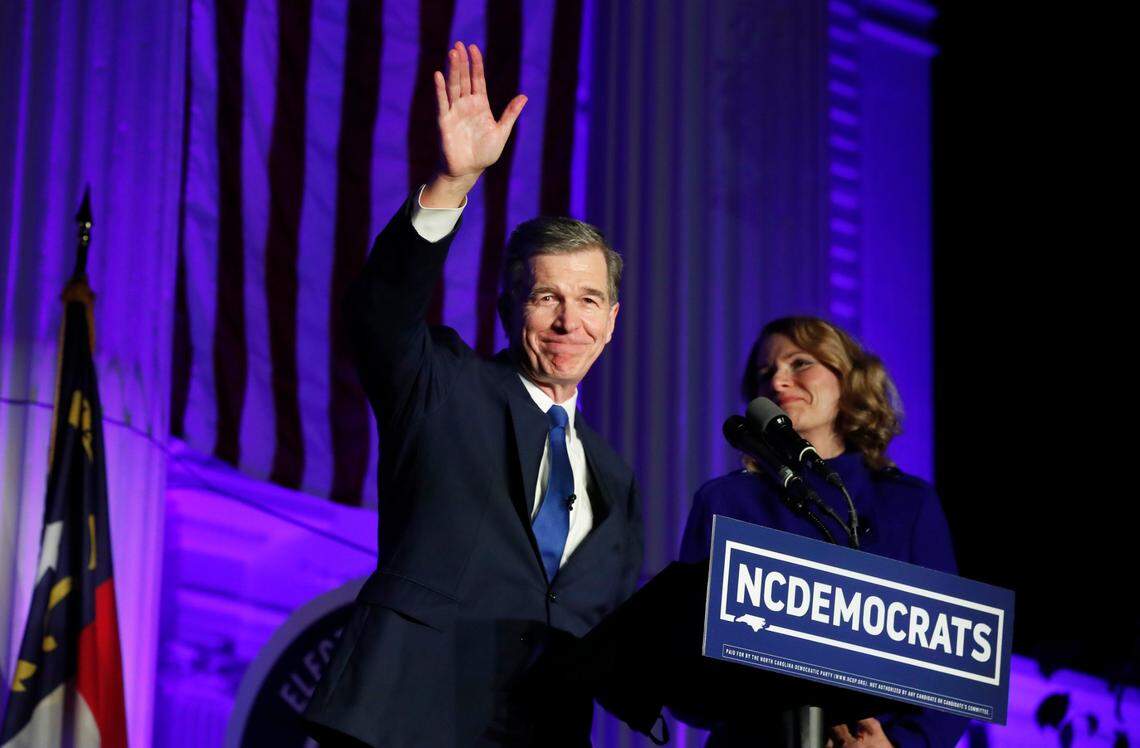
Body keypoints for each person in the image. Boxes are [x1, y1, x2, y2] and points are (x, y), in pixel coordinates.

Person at [303, 42, 643, 746]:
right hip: (405, 722)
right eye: (545, 295)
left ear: (611, 323)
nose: (566, 321)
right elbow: (380, 316)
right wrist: (450, 185)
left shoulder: (614, 476)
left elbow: (606, 629)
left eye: (587, 300)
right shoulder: (443, 384)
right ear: (506, 306)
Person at [678, 316, 967, 748]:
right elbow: (685, 665)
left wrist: (899, 745)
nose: (778, 380)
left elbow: (951, 668)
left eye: (799, 363)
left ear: (847, 380)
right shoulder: (723, 502)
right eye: (764, 373)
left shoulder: (909, 505)